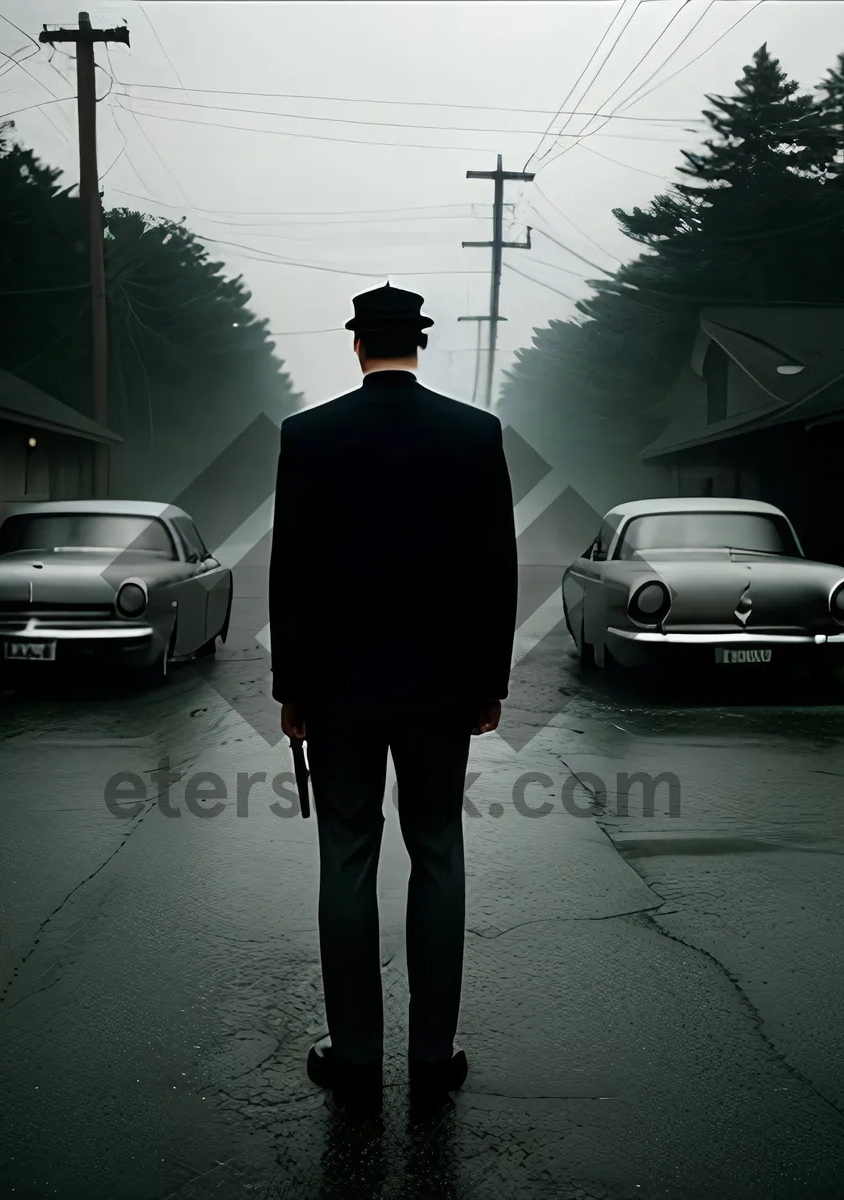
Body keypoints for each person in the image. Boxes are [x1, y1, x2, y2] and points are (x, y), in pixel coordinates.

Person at [268, 282, 518, 1112]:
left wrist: (292, 688)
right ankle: (434, 1056)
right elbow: (496, 570)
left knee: (346, 857)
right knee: (438, 852)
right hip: (443, 688)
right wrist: (490, 682)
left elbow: (292, 576)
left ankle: (355, 1055)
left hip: (338, 689)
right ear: (419, 342)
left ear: (356, 345)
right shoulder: (474, 435)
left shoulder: (307, 437)